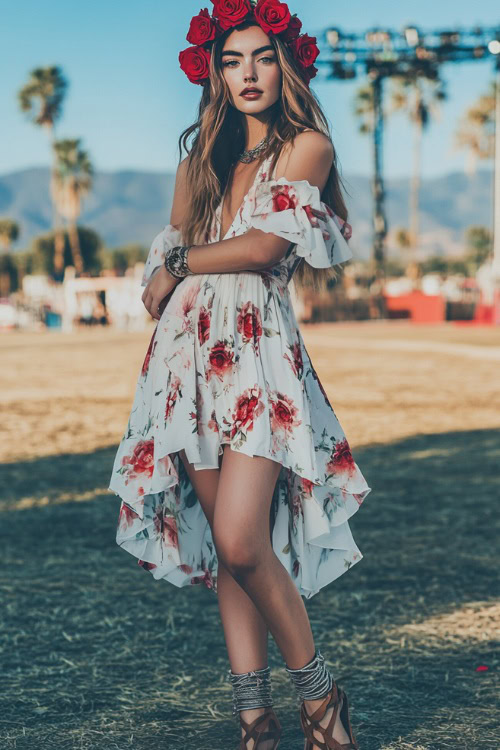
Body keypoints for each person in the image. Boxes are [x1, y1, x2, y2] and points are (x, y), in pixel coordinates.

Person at [108, 2, 372, 748]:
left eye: (260, 57)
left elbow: (259, 250)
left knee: (243, 540)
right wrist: (166, 275)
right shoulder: (198, 163)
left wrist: (179, 262)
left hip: (257, 358)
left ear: (283, 64)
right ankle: (255, 721)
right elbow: (162, 282)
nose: (247, 73)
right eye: (231, 60)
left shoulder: (307, 148)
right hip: (185, 363)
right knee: (232, 551)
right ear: (214, 73)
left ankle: (321, 698)